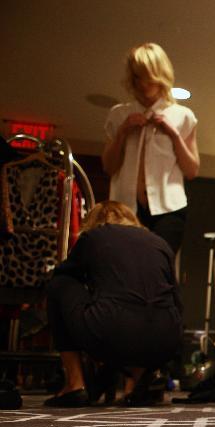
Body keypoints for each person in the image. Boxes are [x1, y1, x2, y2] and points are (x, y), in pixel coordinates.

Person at [43, 201, 183, 407]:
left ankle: (74, 385)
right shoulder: (160, 243)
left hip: (112, 332)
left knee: (59, 283)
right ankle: (138, 381)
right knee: (145, 308)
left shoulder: (94, 237)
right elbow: (177, 302)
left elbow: (65, 274)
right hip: (167, 342)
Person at [102, 42, 199, 255]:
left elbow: (192, 170)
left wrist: (173, 134)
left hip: (169, 209)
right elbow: (109, 167)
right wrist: (123, 131)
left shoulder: (182, 116)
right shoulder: (118, 115)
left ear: (158, 74)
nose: (142, 84)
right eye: (136, 77)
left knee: (155, 265)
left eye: (146, 76)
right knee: (121, 263)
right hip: (125, 208)